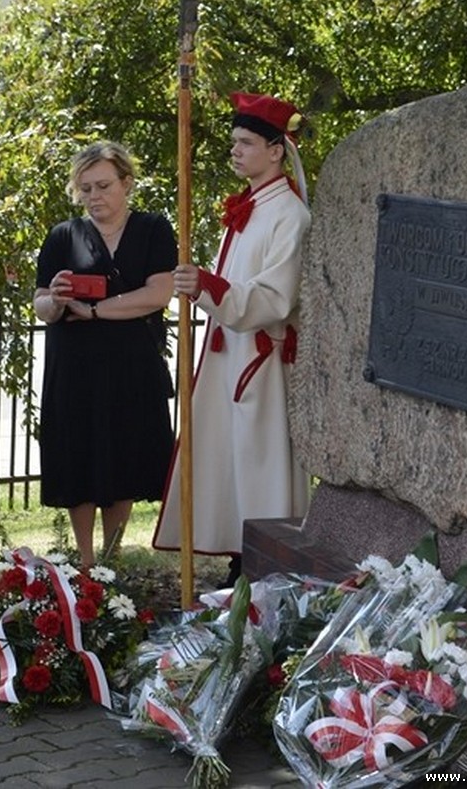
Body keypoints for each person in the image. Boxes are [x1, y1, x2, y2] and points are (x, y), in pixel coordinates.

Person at [152, 92, 312, 577]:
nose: (235, 151)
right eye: (234, 142)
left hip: (260, 363)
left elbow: (274, 297)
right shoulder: (252, 207)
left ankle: (262, 567)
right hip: (231, 354)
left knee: (259, 465)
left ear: (276, 150)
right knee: (230, 462)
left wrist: (207, 286)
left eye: (246, 142)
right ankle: (238, 561)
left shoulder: (290, 215)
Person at [33, 141, 177, 568]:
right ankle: (84, 561)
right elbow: (41, 305)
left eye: (103, 186)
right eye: (85, 189)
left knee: (124, 458)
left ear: (126, 183)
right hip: (74, 367)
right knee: (78, 457)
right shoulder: (62, 236)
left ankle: (111, 563)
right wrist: (58, 300)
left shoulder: (153, 229)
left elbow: (158, 294)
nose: (94, 196)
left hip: (131, 364)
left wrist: (96, 310)